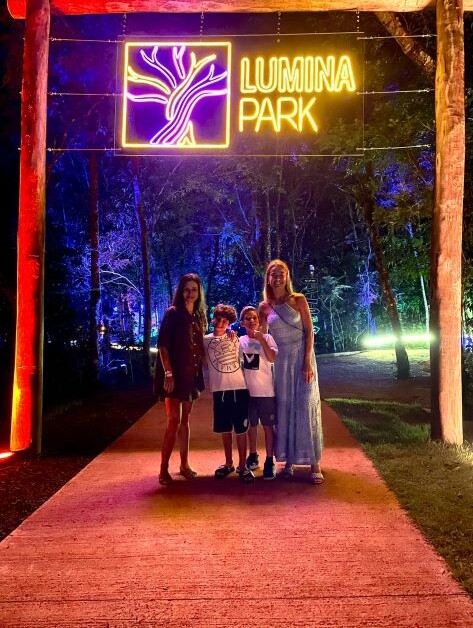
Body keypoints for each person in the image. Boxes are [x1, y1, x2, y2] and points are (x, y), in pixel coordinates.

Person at [259, 259, 324, 484]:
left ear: (287, 277)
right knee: (285, 409)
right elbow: (263, 337)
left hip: (302, 358)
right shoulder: (265, 307)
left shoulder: (298, 300)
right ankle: (288, 462)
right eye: (274, 274)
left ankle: (314, 462)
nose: (278, 278)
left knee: (305, 406)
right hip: (281, 362)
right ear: (268, 278)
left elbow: (310, 332)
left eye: (281, 274)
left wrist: (307, 362)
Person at [155, 273, 207, 486]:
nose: (190, 293)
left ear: (199, 292)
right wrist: (168, 373)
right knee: (173, 420)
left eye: (194, 289)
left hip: (191, 375)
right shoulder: (173, 313)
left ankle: (184, 465)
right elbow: (163, 345)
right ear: (181, 291)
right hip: (174, 376)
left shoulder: (199, 315)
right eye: (186, 289)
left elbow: (202, 344)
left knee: (185, 420)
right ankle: (163, 469)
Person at [203, 304, 255, 483]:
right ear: (213, 319)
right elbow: (203, 362)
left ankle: (243, 466)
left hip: (239, 388)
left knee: (241, 429)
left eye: (225, 321)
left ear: (230, 323)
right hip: (219, 390)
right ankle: (228, 463)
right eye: (219, 319)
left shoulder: (235, 338)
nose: (221, 323)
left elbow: (244, 359)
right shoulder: (205, 340)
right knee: (225, 429)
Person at [239, 306, 278, 480]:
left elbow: (272, 358)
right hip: (247, 392)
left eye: (254, 317)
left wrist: (261, 339)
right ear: (242, 323)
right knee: (251, 426)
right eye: (247, 318)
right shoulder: (240, 341)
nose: (251, 321)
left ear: (259, 320)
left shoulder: (268, 338)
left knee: (268, 427)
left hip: (266, 391)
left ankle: (269, 460)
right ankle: (253, 455)